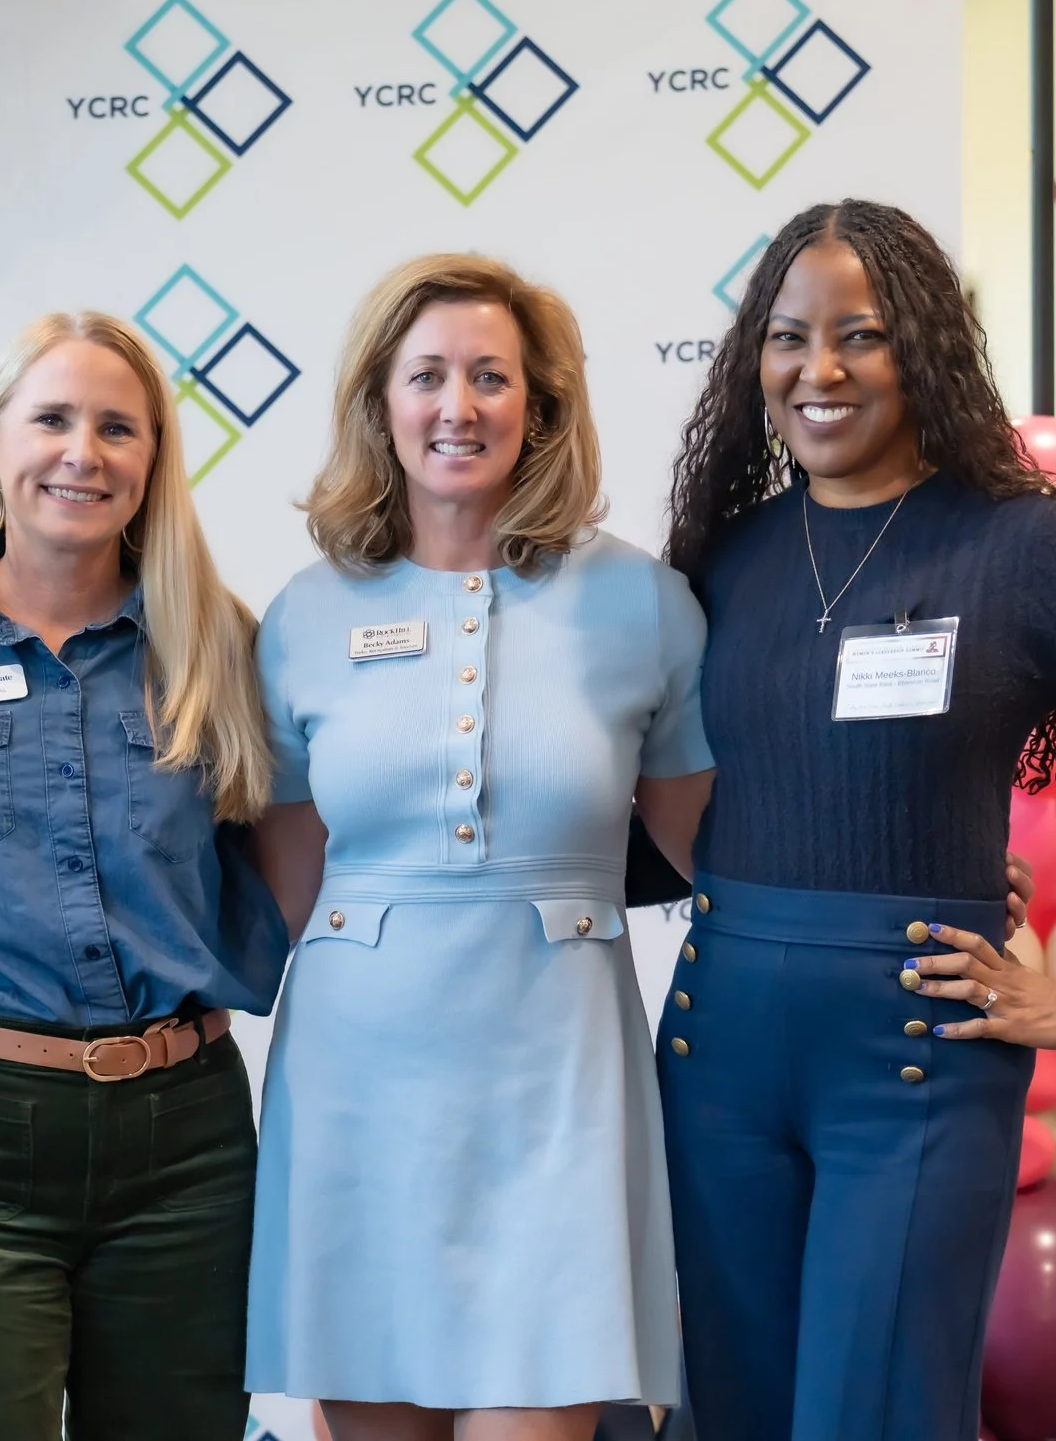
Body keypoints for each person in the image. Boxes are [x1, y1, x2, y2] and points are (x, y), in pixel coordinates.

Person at [659, 199, 1056, 1441]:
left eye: (863, 334)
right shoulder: (725, 553)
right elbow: (707, 803)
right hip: (716, 1054)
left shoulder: (1021, 547)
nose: (820, 369)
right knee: (730, 1414)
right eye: (788, 337)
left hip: (912, 1056)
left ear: (928, 351)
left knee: (877, 1414)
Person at [242, 254, 709, 1441]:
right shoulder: (303, 615)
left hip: (557, 1081)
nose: (458, 405)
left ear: (539, 407)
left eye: (491, 376)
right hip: (356, 1083)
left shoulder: (645, 605)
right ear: (379, 405)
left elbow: (719, 853)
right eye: (428, 375)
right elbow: (279, 891)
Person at [0, 311, 286, 1441]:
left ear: (151, 462)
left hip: (187, 1142)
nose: (83, 451)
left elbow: (276, 863)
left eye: (117, 427)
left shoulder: (215, 639)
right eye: (52, 419)